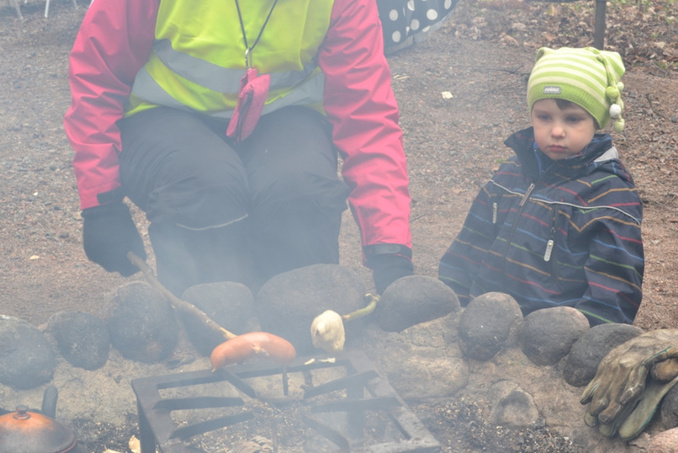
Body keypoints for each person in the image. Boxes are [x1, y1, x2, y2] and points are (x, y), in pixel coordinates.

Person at [64, 0, 413, 297]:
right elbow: (98, 75)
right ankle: (206, 307)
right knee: (206, 184)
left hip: (282, 114)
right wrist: (102, 204)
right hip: (162, 114)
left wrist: (389, 247)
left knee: (300, 189)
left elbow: (365, 114)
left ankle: (289, 314)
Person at [438, 46, 644, 326]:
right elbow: (470, 245)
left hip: (553, 336)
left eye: (573, 119)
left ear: (596, 121)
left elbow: (614, 290)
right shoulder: (509, 175)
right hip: (482, 322)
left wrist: (581, 340)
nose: (556, 131)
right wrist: (451, 305)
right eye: (544, 117)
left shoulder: (609, 195)